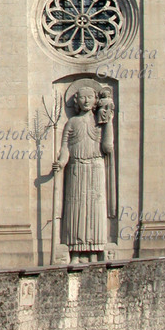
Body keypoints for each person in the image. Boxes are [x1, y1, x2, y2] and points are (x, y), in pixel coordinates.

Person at [52, 86, 115, 264]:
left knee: (95, 209)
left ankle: (95, 250)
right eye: (82, 97)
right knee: (76, 209)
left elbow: (108, 148)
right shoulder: (71, 123)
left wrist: (108, 120)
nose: (86, 100)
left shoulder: (98, 123)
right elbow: (65, 147)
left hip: (96, 167)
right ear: (76, 101)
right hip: (76, 169)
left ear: (95, 101)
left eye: (90, 97)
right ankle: (75, 251)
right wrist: (61, 162)